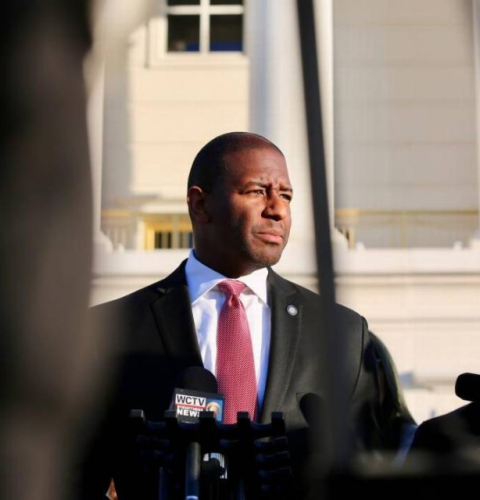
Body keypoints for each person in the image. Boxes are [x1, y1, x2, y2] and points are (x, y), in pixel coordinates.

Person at [80, 132, 396, 499]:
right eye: (257, 191)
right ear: (200, 205)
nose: (277, 210)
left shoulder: (343, 333)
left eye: (286, 196)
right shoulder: (108, 331)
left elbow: (370, 475)